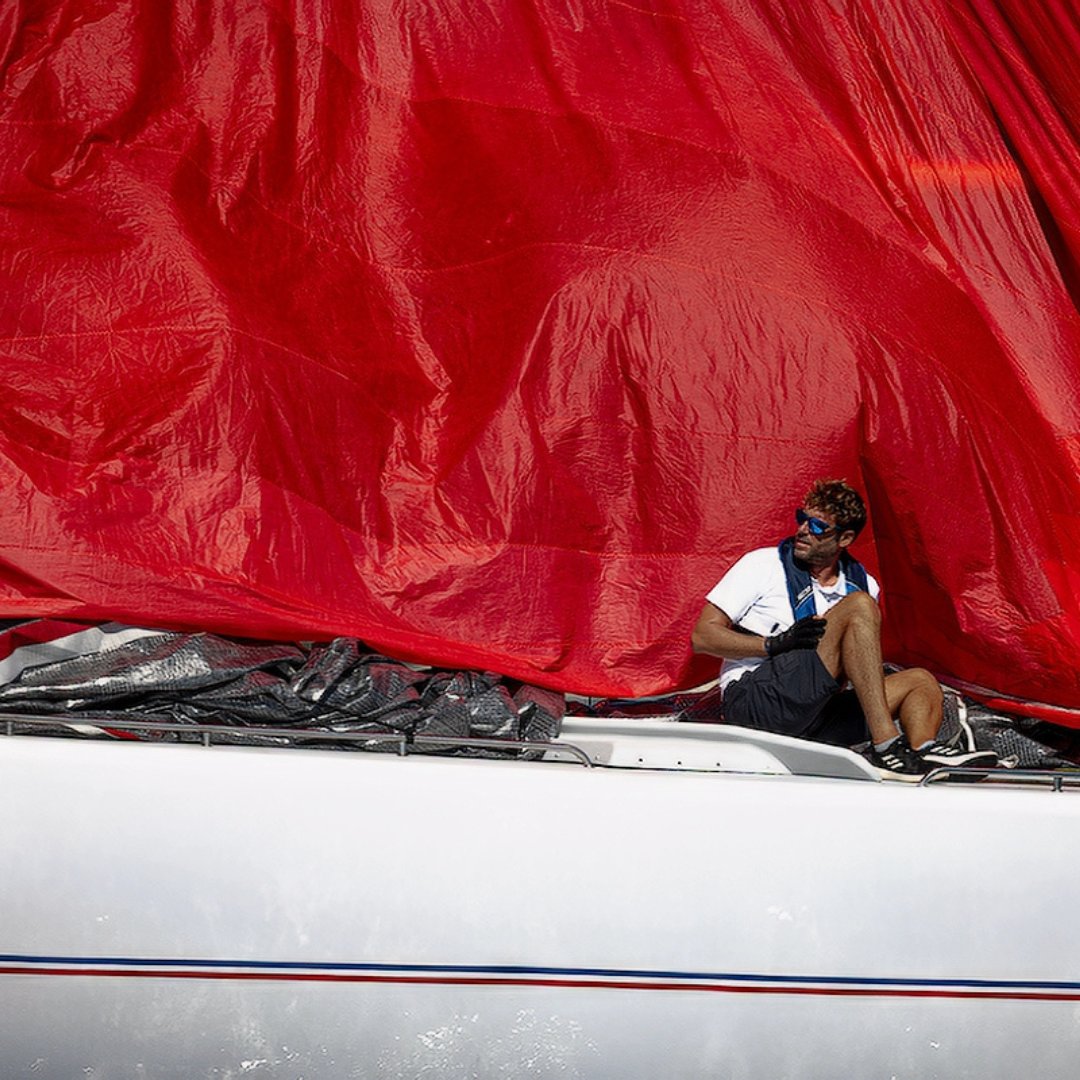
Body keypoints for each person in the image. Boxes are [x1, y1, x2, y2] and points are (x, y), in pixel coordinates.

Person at [691, 478, 996, 780]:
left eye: (818, 527)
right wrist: (774, 644)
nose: (803, 530)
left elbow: (858, 667)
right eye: (803, 519)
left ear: (845, 539)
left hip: (816, 711)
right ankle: (886, 745)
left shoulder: (864, 584)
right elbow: (702, 637)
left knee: (920, 682)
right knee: (859, 606)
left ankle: (920, 754)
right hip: (756, 702)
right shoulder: (762, 565)